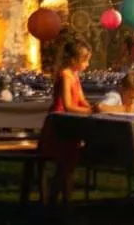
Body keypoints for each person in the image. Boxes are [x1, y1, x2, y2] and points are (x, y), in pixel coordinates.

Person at [38, 37, 93, 204]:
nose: (87, 64)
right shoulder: (65, 76)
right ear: (74, 60)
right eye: (85, 61)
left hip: (71, 123)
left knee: (68, 165)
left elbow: (81, 99)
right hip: (60, 123)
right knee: (65, 165)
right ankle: (62, 201)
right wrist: (89, 111)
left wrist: (93, 108)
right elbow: (68, 105)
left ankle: (57, 199)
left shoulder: (74, 75)